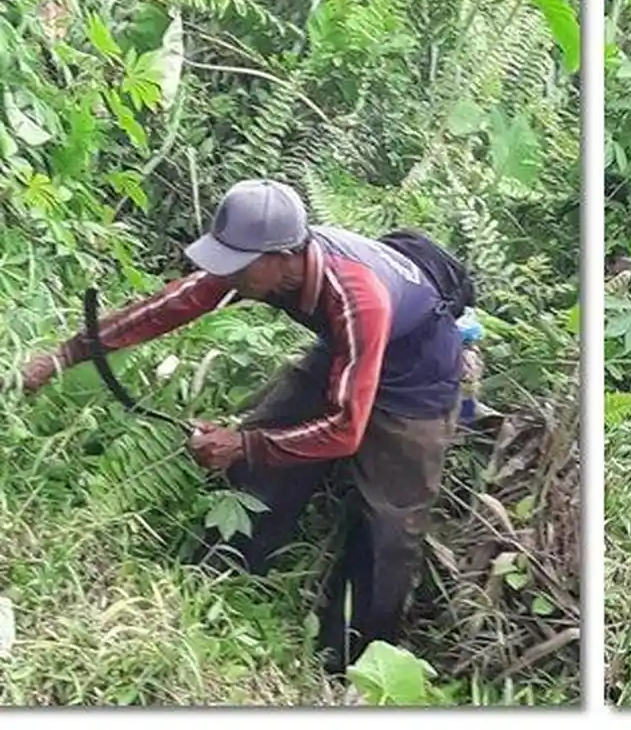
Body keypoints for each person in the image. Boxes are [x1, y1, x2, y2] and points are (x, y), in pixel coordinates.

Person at [18, 179, 464, 675]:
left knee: (388, 523)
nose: (221, 271)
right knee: (265, 443)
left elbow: (344, 430)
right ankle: (217, 580)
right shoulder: (252, 266)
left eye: (235, 262)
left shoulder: (357, 296)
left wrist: (244, 445)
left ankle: (353, 666)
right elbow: (168, 305)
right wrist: (65, 355)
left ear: (282, 256)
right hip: (346, 351)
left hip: (414, 382)